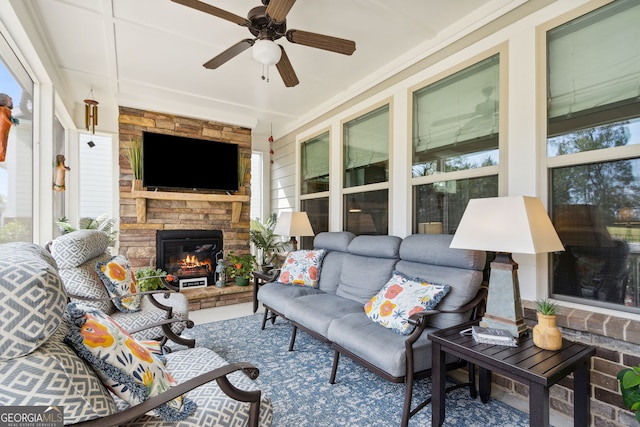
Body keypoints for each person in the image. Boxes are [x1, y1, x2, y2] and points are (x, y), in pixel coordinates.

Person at [0, 93, 18, 162]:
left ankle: (3, 156)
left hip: (5, 131)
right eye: (8, 98)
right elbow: (3, 116)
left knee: (4, 142)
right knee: (2, 142)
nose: (11, 99)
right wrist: (10, 122)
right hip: (2, 130)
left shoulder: (6, 110)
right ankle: (2, 156)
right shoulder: (2, 109)